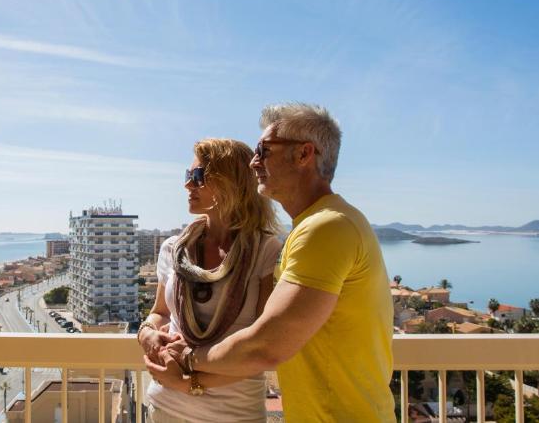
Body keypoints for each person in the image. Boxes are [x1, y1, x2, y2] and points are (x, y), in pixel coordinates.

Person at [160, 103, 395, 422]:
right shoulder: (320, 224)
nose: (254, 162)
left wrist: (188, 360)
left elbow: (266, 345)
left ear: (303, 154)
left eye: (264, 150)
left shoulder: (326, 227)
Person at [139, 138, 283, 423]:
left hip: (234, 412)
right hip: (166, 407)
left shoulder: (266, 251)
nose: (187, 185)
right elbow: (159, 313)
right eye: (187, 177)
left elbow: (263, 344)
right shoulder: (173, 248)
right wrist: (148, 335)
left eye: (197, 177)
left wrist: (190, 382)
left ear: (230, 182)